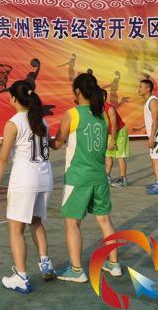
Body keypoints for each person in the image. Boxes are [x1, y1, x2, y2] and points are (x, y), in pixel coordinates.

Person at [50, 73, 122, 282]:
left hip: (78, 178)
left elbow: (58, 143)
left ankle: (76, 269)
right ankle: (114, 264)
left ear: (78, 91)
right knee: (105, 220)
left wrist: (41, 138)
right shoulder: (102, 115)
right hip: (99, 176)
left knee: (72, 223)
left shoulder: (72, 114)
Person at [0, 81, 55, 294]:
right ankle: (45, 263)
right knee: (36, 222)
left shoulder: (14, 123)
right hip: (45, 178)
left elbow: (3, 158)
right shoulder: (42, 120)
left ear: (14, 98)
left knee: (16, 229)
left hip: (25, 180)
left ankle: (21, 277)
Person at [138, 79, 158, 195]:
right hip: (156, 136)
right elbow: (153, 119)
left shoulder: (153, 102)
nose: (139, 89)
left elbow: (156, 121)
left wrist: (152, 137)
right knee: (154, 158)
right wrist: (140, 127)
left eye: (141, 87)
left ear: (148, 89)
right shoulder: (149, 101)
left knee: (156, 159)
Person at [102, 89, 130, 187]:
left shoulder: (109, 108)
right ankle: (107, 177)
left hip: (120, 131)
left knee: (119, 156)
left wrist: (113, 141)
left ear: (103, 97)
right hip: (110, 133)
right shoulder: (97, 108)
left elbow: (114, 126)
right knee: (108, 155)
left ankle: (123, 180)